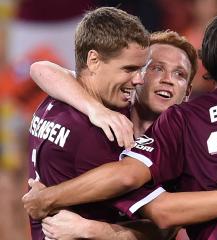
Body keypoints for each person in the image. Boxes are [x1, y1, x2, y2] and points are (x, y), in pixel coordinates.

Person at [23, 7, 217, 239]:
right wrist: (96, 110)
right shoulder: (103, 123)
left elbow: (166, 226)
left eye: (180, 74)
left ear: (187, 93)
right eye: (154, 68)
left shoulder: (187, 146)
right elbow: (42, 69)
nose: (167, 79)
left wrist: (94, 229)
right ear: (138, 76)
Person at [26, 6, 152, 240]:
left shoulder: (56, 99)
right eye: (129, 69)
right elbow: (157, 215)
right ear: (93, 60)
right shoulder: (96, 133)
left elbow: (40, 68)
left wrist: (96, 109)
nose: (139, 79)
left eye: (142, 68)